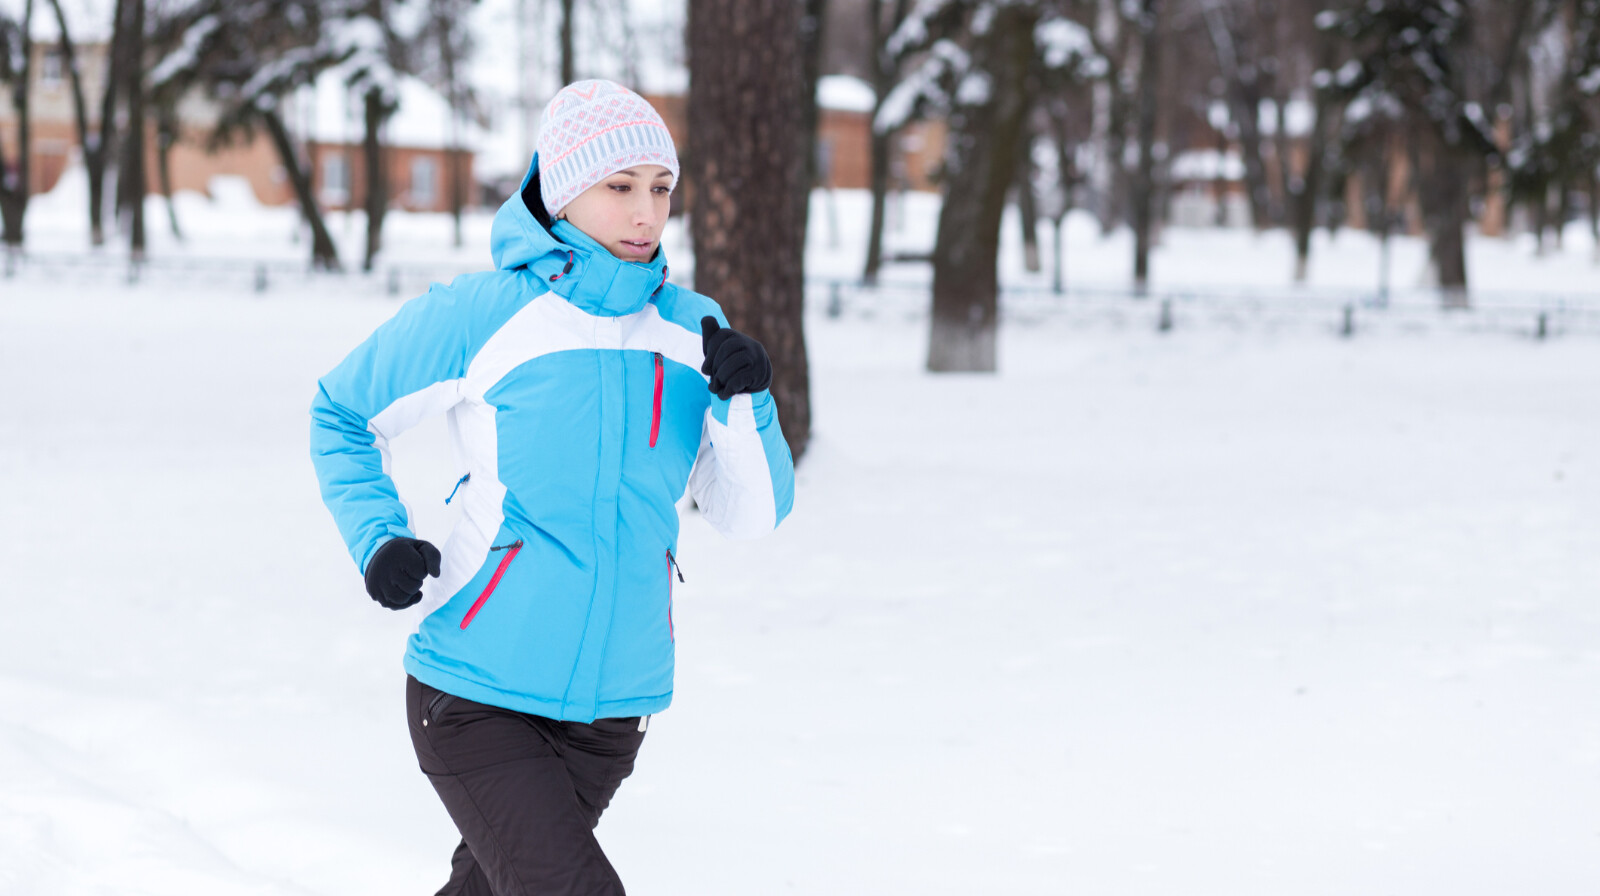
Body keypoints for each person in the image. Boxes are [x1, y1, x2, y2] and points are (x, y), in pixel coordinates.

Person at [309, 79, 795, 896]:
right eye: (620, 187)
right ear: (564, 193)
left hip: (611, 712)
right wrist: (377, 538)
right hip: (475, 690)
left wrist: (748, 404)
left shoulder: (692, 329)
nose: (647, 212)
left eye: (661, 189)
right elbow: (342, 412)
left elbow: (751, 514)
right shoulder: (485, 315)